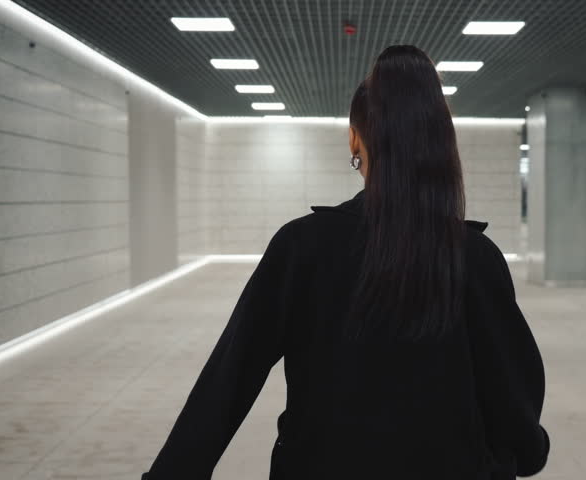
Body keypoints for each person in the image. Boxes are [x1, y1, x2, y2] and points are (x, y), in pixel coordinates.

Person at [142, 45, 549, 480]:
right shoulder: (476, 256)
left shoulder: (301, 247)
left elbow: (230, 376)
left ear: (355, 138)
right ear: (439, 142)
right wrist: (523, 450)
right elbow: (509, 392)